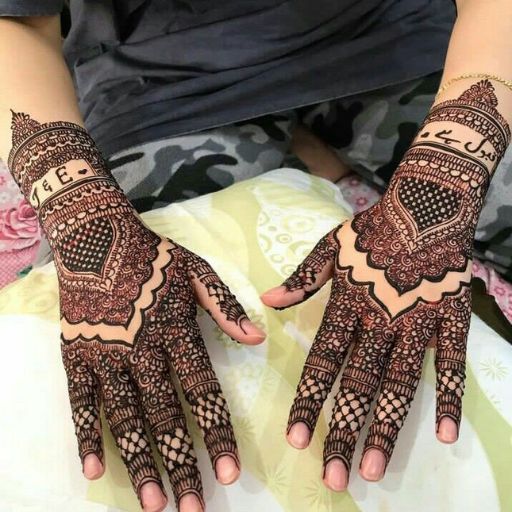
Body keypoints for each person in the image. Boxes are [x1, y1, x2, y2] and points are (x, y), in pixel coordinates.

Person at [0, 1, 511, 512]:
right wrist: (84, 215)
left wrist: (450, 166)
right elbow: (17, 24)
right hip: (158, 82)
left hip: (388, 38)